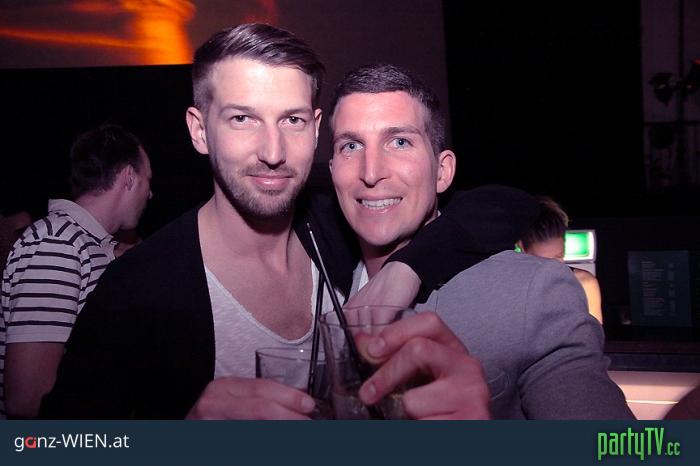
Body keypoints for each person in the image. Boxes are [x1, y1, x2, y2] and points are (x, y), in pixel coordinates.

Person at [41, 24, 535, 420]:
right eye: (242, 119)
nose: (273, 152)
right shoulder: (136, 289)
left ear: (316, 129)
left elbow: (503, 204)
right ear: (199, 130)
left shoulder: (333, 228)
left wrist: (404, 270)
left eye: (292, 120)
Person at [328, 63, 633, 419]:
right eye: (351, 145)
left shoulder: (530, 293)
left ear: (442, 171)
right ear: (331, 169)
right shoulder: (312, 274)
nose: (370, 172)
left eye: (399, 142)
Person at [1, 124, 153, 419]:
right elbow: (29, 399)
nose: (150, 194)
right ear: (129, 177)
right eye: (148, 180)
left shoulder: (86, 244)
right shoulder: (57, 243)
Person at [516, 196, 603, 324]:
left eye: (558, 256)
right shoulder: (510, 286)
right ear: (522, 247)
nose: (553, 267)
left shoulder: (584, 283)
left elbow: (593, 334)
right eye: (542, 261)